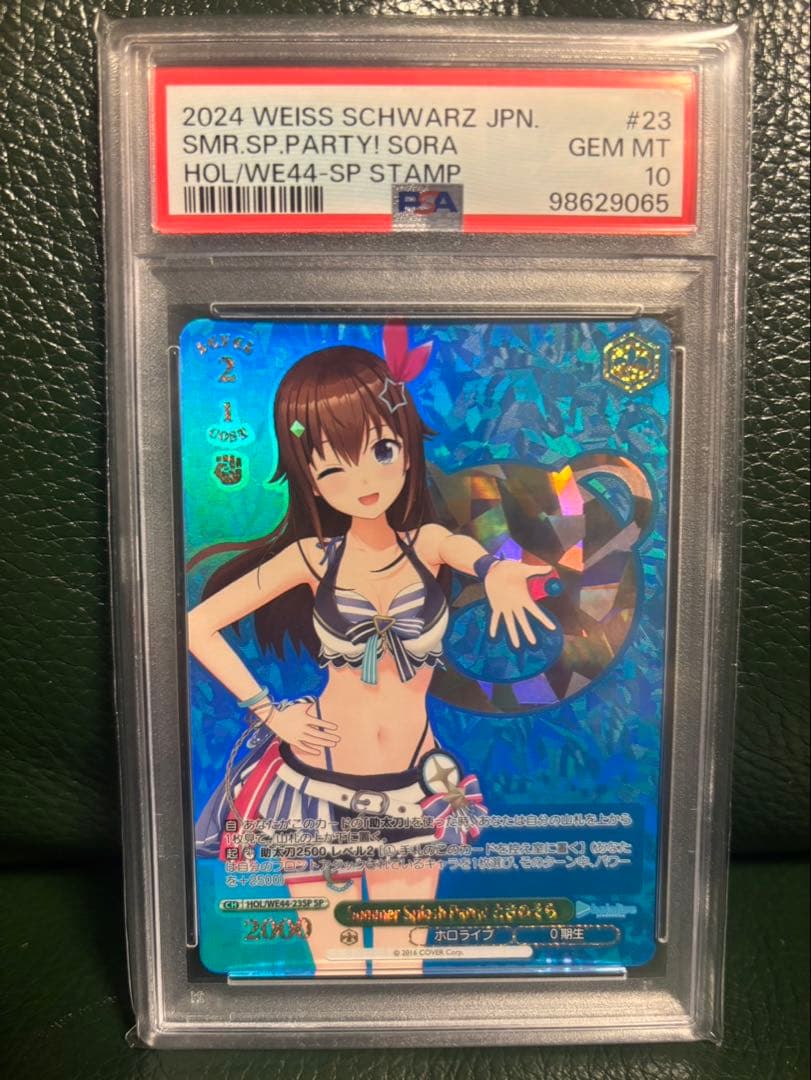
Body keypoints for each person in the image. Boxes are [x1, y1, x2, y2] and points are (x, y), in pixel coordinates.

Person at [187, 327, 554, 975]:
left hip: (413, 786)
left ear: (407, 449)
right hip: (315, 784)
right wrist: (267, 712)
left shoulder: (430, 544)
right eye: (332, 464)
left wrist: (498, 572)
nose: (362, 479)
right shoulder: (311, 557)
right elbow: (196, 626)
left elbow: (472, 554)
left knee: (401, 967)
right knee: (333, 968)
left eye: (381, 449)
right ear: (307, 477)